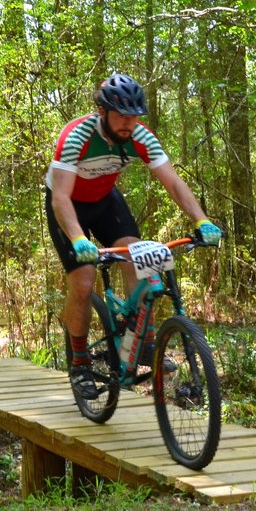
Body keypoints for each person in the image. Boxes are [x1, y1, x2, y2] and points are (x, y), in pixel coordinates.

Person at [44, 73, 222, 399]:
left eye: (134, 116)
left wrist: (202, 220)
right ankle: (80, 363)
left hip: (105, 201)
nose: (129, 123)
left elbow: (173, 182)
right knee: (83, 283)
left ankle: (139, 342)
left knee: (138, 256)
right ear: (102, 111)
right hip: (67, 204)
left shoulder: (140, 136)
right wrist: (78, 239)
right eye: (122, 116)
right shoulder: (76, 136)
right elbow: (60, 198)